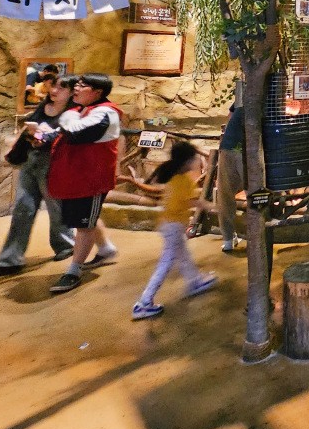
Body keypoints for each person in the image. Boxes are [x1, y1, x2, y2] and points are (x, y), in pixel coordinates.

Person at [0, 75, 76, 277]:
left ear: (70, 92)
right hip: (31, 161)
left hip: (54, 164)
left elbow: (65, 137)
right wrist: (30, 135)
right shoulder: (44, 107)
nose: (54, 90)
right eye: (54, 86)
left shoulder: (73, 113)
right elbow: (30, 127)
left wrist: (46, 136)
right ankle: (9, 260)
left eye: (62, 87)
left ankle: (66, 244)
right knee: (23, 207)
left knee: (56, 208)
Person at [38, 73, 122, 294]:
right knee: (85, 219)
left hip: (91, 179)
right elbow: (62, 133)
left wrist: (65, 121)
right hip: (75, 178)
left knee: (84, 224)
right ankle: (106, 249)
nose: (76, 88)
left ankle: (73, 271)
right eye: (77, 84)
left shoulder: (106, 113)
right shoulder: (81, 111)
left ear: (98, 92)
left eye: (83, 85)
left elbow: (75, 134)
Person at [131, 140, 219, 320]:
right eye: (195, 157)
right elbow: (196, 202)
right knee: (166, 263)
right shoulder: (184, 182)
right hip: (173, 226)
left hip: (169, 225)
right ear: (187, 161)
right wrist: (215, 207)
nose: (198, 160)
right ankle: (144, 302)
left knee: (183, 255)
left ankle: (194, 281)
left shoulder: (176, 178)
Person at [216, 101, 245, 252]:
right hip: (247, 149)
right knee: (257, 193)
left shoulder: (244, 93)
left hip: (229, 146)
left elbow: (230, 116)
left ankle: (227, 239)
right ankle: (259, 236)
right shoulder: (270, 95)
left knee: (225, 195)